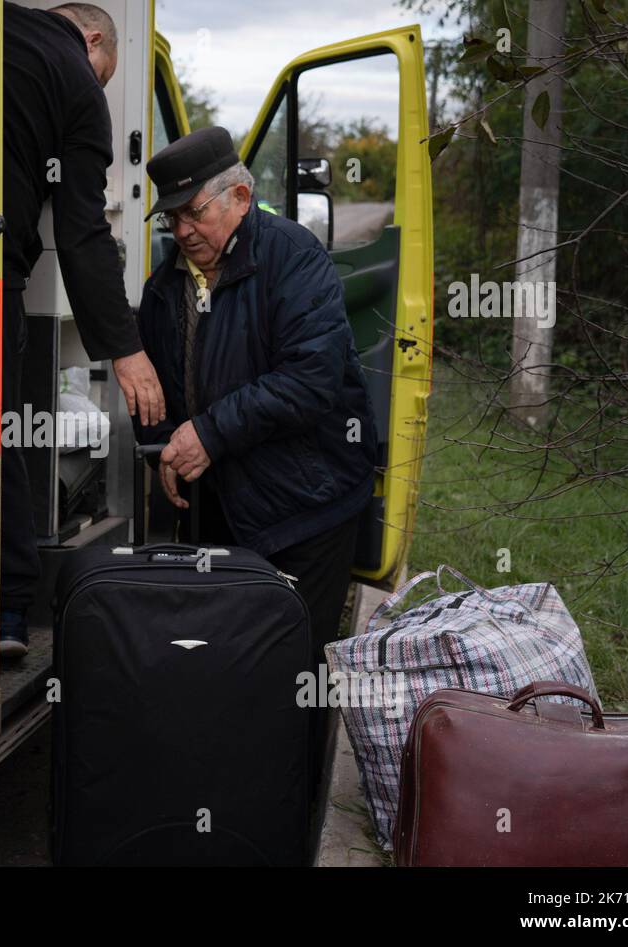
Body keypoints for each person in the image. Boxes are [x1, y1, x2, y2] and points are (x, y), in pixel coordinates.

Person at [135, 126, 379, 787]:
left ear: (240, 196)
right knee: (227, 664)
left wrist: (209, 434)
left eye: (195, 213)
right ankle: (229, 805)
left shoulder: (294, 259)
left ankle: (286, 817)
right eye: (172, 216)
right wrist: (175, 440)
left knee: (290, 673)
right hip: (227, 506)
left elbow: (311, 380)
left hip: (308, 506)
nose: (182, 229)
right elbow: (177, 384)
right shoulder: (169, 283)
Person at [0, 2, 164, 658]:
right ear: (92, 38)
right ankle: (10, 610)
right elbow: (84, 233)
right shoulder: (74, 80)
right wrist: (125, 351)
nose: (99, 84)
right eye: (107, 73)